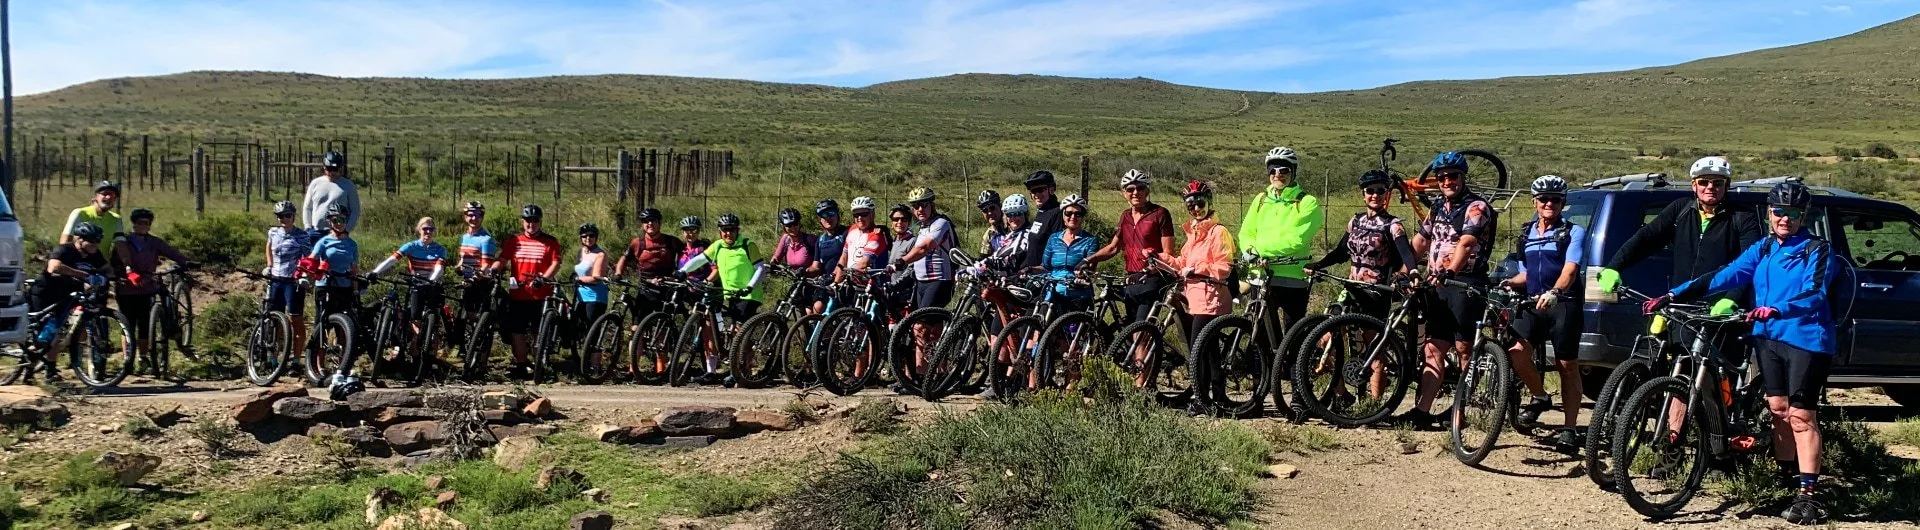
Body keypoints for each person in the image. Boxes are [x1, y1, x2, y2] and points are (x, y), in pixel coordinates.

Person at [1647, 182, 1837, 525]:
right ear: (1768, 213)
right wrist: (1673, 295)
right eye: (1779, 211)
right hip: (1767, 337)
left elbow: (1816, 293)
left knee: (1801, 416)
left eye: (1793, 213)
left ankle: (1809, 495)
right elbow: (1726, 274)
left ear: (1803, 216)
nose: (1785, 218)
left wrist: (1777, 309)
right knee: (1777, 409)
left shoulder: (1816, 248)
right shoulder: (1764, 248)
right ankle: (1786, 480)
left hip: (1807, 339)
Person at [1405, 151, 1497, 429]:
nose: (1447, 181)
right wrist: (1402, 267)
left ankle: (1462, 413)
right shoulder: (1438, 207)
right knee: (1433, 347)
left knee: (1464, 348)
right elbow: (1421, 240)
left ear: (1463, 177)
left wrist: (1450, 271)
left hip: (1465, 283)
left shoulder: (1476, 207)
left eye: (1452, 176)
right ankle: (1422, 411)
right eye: (1442, 177)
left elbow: (1467, 243)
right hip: (1437, 284)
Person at [1502, 176, 1589, 448]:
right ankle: (1540, 396)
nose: (1548, 203)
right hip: (1533, 302)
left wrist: (1556, 292)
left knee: (1566, 366)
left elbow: (1570, 269)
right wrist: (1506, 281)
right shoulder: (1527, 232)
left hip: (1563, 303)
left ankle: (1570, 428)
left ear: (1563, 203)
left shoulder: (1572, 232)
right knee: (1515, 351)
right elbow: (1527, 273)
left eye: (1555, 199)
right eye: (1543, 199)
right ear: (1534, 202)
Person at [1238, 146, 1322, 407]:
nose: (1277, 174)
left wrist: (1262, 250)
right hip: (1260, 276)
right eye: (1272, 170)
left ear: (1293, 172)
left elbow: (1298, 239)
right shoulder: (1260, 200)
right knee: (1259, 338)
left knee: (1293, 337)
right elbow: (1246, 231)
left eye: (1283, 170)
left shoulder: (1307, 202)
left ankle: (1299, 397)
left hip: (1292, 276)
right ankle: (1259, 396)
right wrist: (1250, 250)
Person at [1168, 181, 1235, 413]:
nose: (1196, 209)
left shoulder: (1218, 232)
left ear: (1209, 203)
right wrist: (1163, 260)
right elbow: (1183, 262)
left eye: (1200, 203)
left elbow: (1224, 266)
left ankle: (1204, 398)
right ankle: (1216, 398)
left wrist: (1199, 270)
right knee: (1209, 351)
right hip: (1196, 298)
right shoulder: (1193, 234)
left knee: (1199, 349)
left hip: (1212, 298)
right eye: (1190, 205)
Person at [676, 213, 766, 386]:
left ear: (737, 230)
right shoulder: (718, 246)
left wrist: (750, 286)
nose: (728, 234)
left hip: (749, 295)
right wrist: (683, 271)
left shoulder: (748, 245)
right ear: (720, 232)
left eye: (731, 230)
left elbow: (760, 268)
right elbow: (700, 260)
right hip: (730, 294)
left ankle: (740, 372)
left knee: (738, 331)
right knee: (734, 332)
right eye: (725, 230)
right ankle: (739, 368)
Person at [111, 208, 195, 377]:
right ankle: (128, 358)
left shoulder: (154, 242)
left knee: (144, 324)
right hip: (126, 288)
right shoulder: (124, 242)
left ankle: (142, 357)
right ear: (134, 224)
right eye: (140, 223)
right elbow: (115, 262)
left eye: (147, 223)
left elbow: (171, 252)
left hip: (146, 287)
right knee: (127, 323)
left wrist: (185, 262)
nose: (144, 226)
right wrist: (122, 275)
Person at [1030, 194, 1100, 390]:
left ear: (1082, 216)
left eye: (1077, 214)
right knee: (1041, 335)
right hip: (1054, 294)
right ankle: (1034, 384)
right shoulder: (1054, 239)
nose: (1072, 217)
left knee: (1073, 344)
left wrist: (1082, 276)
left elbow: (1091, 268)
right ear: (1063, 215)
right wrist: (1027, 271)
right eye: (1068, 213)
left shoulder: (1090, 241)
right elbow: (1046, 266)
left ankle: (1071, 389)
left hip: (1078, 296)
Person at [1088, 169, 1175, 325]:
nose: (1135, 192)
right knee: (1130, 328)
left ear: (1147, 190)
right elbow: (1114, 247)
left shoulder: (1160, 214)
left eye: (1140, 188)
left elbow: (1168, 253)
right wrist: (1089, 259)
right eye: (1130, 189)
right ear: (1124, 193)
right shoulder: (1125, 216)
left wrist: (1150, 269)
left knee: (1139, 332)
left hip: (1152, 279)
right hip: (1131, 278)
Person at [29, 222, 110, 381]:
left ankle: (50, 371)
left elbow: (107, 268)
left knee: (58, 333)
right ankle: (29, 363)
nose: (95, 245)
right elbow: (54, 267)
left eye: (98, 241)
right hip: (45, 293)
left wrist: (109, 276)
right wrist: (84, 275)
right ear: (79, 239)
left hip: (67, 295)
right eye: (92, 241)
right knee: (47, 333)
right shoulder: (65, 249)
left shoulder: (94, 254)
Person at [500, 205, 563, 379]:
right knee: (517, 331)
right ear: (523, 222)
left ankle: (539, 365)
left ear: (540, 222)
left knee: (538, 332)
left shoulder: (550, 241)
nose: (531, 224)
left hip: (540, 294)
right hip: (518, 294)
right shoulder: (514, 240)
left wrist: (544, 278)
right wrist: (493, 269)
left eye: (535, 221)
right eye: (528, 221)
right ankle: (521, 364)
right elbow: (503, 259)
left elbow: (555, 263)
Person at [307, 205, 363, 393]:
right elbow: (312, 260)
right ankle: (318, 366)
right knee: (322, 327)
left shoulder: (352, 244)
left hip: (344, 287)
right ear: (330, 222)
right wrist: (310, 271)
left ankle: (343, 367)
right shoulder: (323, 242)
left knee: (344, 329)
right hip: (325, 285)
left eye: (342, 220)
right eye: (335, 220)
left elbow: (354, 270)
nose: (339, 223)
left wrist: (355, 291)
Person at [615, 208, 687, 322]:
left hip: (666, 288)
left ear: (659, 223)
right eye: (646, 221)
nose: (650, 223)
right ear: (642, 224)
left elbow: (688, 255)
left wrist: (682, 273)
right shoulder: (637, 243)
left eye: (653, 220)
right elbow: (624, 258)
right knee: (636, 327)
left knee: (662, 325)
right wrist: (618, 274)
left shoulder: (671, 241)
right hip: (645, 289)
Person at [263, 200, 313, 356]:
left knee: (295, 319)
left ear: (293, 216)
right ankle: (274, 356)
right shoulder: (273, 232)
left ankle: (297, 358)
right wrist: (269, 265)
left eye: (287, 215)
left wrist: (304, 273)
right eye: (280, 216)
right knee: (274, 319)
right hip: (276, 280)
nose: (284, 219)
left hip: (292, 282)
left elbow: (308, 257)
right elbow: (269, 247)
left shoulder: (301, 235)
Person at [452, 201, 501, 325]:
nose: (474, 218)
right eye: (470, 214)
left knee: (472, 317)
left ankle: (476, 339)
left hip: (479, 282)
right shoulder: (465, 237)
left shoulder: (486, 239)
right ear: (465, 216)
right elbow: (463, 258)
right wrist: (459, 266)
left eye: (478, 215)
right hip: (466, 280)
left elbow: (486, 264)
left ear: (482, 217)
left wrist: (476, 276)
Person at [61, 181, 124, 264]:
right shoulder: (80, 213)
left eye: (112, 195)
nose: (108, 197)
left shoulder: (116, 219)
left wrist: (128, 267)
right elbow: (65, 242)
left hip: (102, 267)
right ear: (95, 197)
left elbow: (121, 246)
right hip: (78, 264)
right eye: (105, 193)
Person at [302, 151, 361, 233]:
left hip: (338, 233)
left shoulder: (348, 185)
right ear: (324, 167)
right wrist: (307, 227)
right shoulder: (315, 183)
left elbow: (355, 211)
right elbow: (307, 208)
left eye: (335, 169)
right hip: (316, 231)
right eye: (330, 169)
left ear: (340, 168)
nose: (333, 172)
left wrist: (346, 230)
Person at [1021, 170, 1065, 268]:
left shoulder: (1057, 213)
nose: (1037, 194)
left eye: (1040, 190)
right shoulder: (1042, 212)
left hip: (1044, 275)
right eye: (1033, 191)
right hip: (1030, 273)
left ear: (1051, 190)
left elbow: (1057, 250)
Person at [573, 223, 610, 344]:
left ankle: (595, 361)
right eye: (584, 236)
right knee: (578, 326)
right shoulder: (581, 252)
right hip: (580, 295)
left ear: (596, 237)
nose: (588, 238)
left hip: (595, 296)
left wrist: (578, 279)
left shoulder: (600, 254)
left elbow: (596, 278)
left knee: (592, 330)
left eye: (591, 235)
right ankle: (582, 358)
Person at [810, 199, 848, 312]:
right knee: (813, 309)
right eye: (824, 215)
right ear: (820, 219)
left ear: (837, 215)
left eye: (831, 213)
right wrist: (805, 271)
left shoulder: (847, 233)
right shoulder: (821, 240)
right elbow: (816, 266)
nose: (828, 218)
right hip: (826, 282)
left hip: (843, 281)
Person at [885, 203, 916, 313]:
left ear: (909, 222)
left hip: (905, 295)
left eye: (904, 219)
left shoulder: (913, 241)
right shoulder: (893, 241)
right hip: (891, 292)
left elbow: (911, 269)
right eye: (896, 219)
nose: (899, 223)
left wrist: (895, 284)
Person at [678, 216, 713, 283]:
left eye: (694, 230)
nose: (691, 234)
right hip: (682, 287)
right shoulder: (679, 248)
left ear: (699, 231)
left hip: (700, 288)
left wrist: (706, 282)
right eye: (687, 231)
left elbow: (716, 269)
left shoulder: (704, 248)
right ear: (683, 232)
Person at [976, 189, 1006, 256]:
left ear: (1000, 206)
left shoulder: (1012, 225)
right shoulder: (989, 234)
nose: (989, 213)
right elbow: (984, 257)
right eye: (985, 210)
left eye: (992, 208)